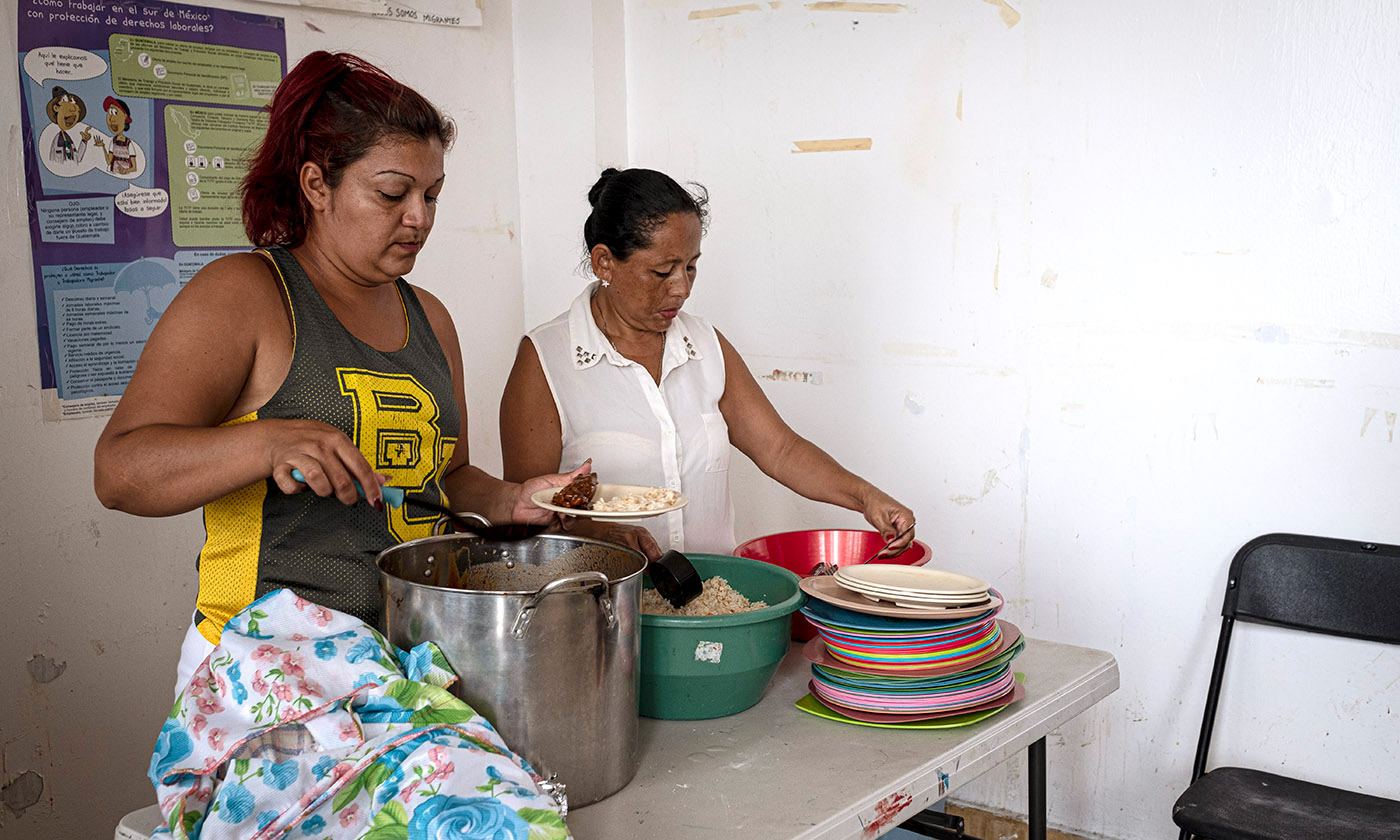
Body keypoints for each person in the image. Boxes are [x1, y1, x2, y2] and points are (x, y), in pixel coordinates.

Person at [93, 52, 581, 692]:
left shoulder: (429, 318)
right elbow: (120, 471)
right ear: (317, 185)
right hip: (265, 666)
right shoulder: (247, 294)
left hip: (404, 656)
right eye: (392, 193)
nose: (420, 218)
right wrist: (269, 440)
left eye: (432, 194)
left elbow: (448, 477)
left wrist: (512, 499)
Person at [500, 167, 915, 558]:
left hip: (709, 602)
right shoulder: (547, 360)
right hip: (603, 607)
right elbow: (526, 513)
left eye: (691, 266)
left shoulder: (705, 345)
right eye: (663, 271)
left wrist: (867, 498)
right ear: (605, 261)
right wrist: (602, 534)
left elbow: (781, 450)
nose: (681, 289)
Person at [45, 86, 91, 165]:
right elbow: (53, 162)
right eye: (64, 100)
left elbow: (77, 158)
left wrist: (84, 141)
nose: (73, 108)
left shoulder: (68, 138)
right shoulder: (56, 139)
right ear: (56, 108)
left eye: (73, 102)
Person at [95, 96, 137, 175]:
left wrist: (126, 171)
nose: (111, 118)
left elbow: (134, 168)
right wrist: (103, 146)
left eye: (115, 112)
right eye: (109, 113)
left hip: (125, 177)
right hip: (113, 174)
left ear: (124, 116)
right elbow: (108, 162)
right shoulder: (113, 141)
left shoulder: (129, 143)